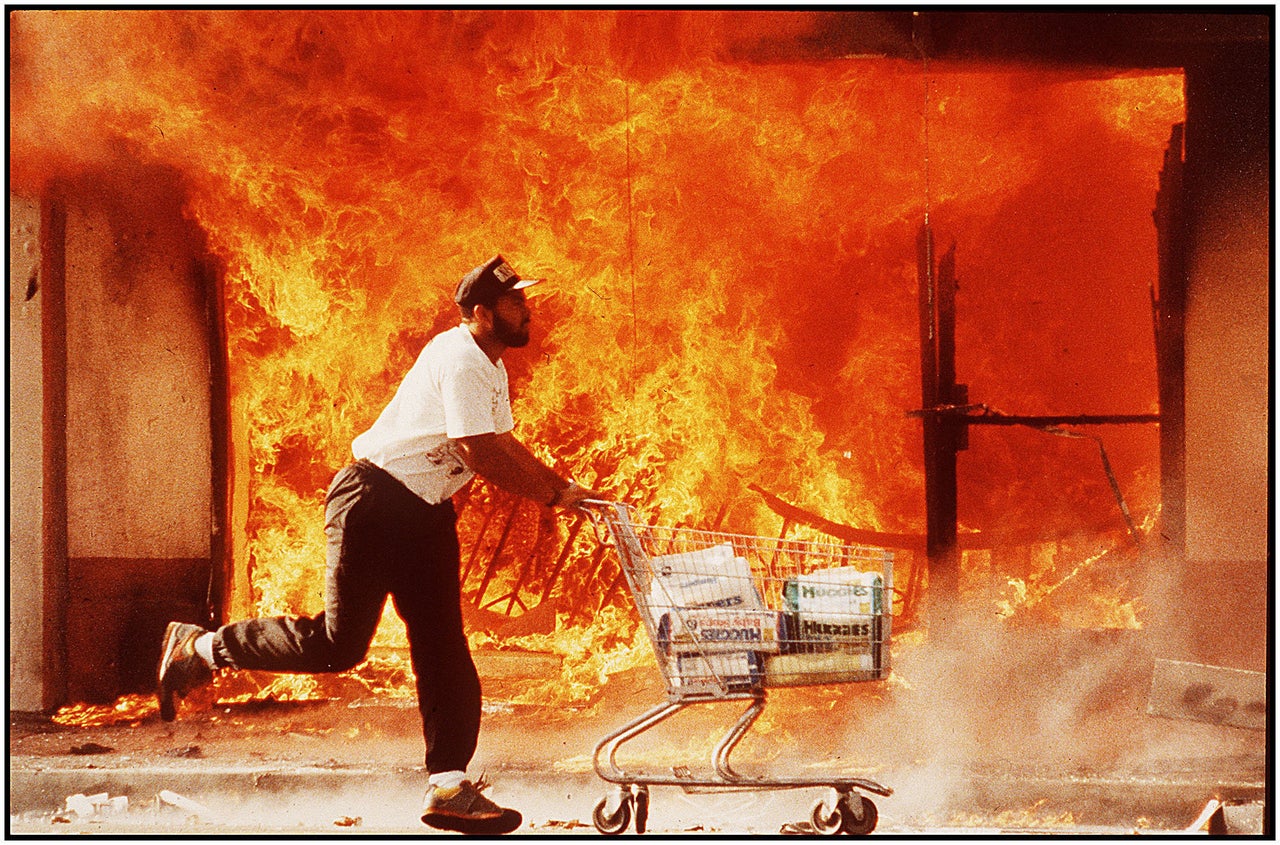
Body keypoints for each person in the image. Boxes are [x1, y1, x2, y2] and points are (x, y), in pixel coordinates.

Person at [157, 255, 600, 832]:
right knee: (338, 647)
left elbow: (502, 443)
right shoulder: (459, 357)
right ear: (480, 313)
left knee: (443, 646)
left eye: (524, 299)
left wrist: (562, 488)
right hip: (374, 500)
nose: (527, 310)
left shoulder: (490, 365)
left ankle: (450, 786)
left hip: (424, 511)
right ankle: (199, 648)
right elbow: (478, 451)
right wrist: (553, 495)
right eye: (514, 302)